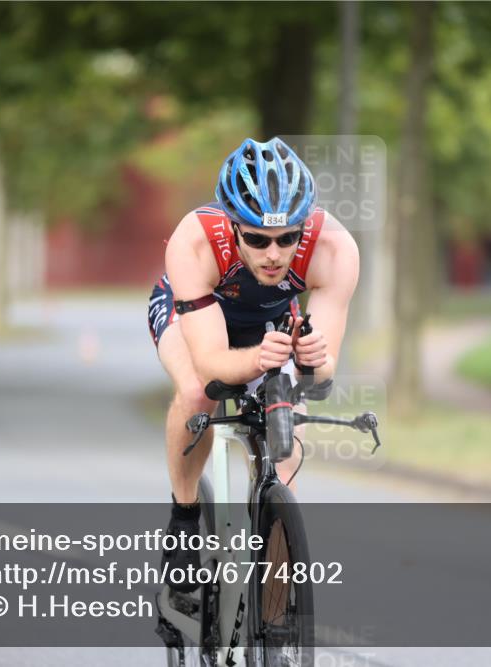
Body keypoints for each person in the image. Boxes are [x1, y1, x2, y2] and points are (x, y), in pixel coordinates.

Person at [147, 137, 359, 591]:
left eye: (287, 239)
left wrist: (312, 362)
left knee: (286, 450)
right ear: (234, 226)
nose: (274, 254)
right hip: (199, 315)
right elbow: (211, 367)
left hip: (270, 320)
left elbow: (319, 381)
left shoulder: (335, 250)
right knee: (196, 392)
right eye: (258, 240)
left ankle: (277, 608)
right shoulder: (196, 241)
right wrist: (256, 361)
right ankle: (184, 520)